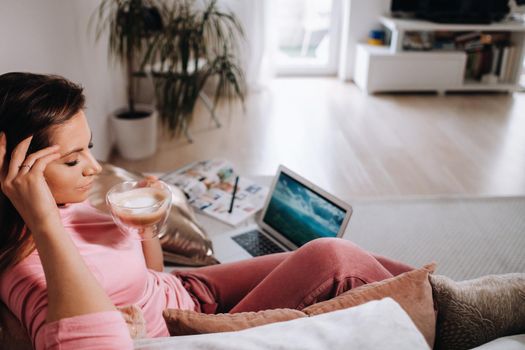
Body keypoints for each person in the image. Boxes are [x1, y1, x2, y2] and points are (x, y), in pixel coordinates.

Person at [0, 72, 413, 350]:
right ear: (13, 171)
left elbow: (151, 278)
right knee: (333, 260)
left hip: (187, 288)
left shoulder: (69, 201)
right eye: (72, 160)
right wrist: (44, 224)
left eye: (88, 147)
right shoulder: (29, 266)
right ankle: (433, 316)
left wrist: (146, 228)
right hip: (185, 326)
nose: (93, 166)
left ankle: (427, 291)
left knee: (332, 254)